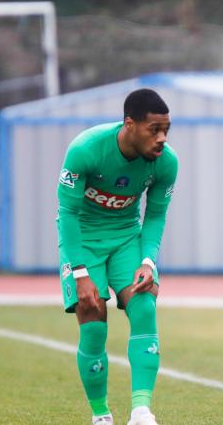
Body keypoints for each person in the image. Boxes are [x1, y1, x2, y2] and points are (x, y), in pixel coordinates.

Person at [56, 88, 178, 425]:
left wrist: (148, 261)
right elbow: (67, 214)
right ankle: (101, 416)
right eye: (154, 129)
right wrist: (79, 273)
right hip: (83, 241)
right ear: (129, 125)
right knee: (93, 320)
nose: (162, 138)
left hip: (127, 239)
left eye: (167, 129)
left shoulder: (166, 163)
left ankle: (141, 411)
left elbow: (155, 215)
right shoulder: (86, 149)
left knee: (144, 305)